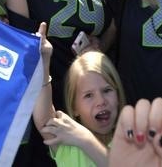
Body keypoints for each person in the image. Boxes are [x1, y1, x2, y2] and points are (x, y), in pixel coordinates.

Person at [32, 23, 126, 166]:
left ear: (119, 96)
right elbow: (44, 122)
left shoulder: (133, 142)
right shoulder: (67, 139)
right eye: (88, 95)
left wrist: (84, 139)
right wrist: (43, 64)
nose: (101, 101)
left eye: (107, 90)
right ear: (74, 107)